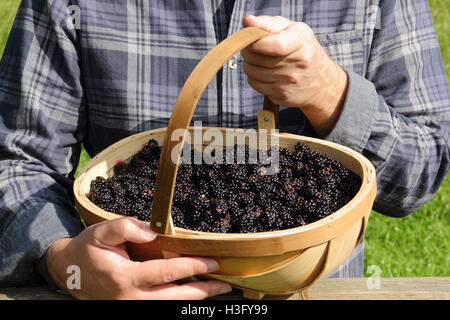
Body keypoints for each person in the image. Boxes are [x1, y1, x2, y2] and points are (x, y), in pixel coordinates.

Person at [0, 0, 449, 299]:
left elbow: (421, 172)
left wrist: (330, 93)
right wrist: (64, 262)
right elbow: (17, 160)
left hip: (312, 287)